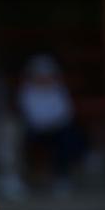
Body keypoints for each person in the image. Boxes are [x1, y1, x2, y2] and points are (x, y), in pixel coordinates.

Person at [17, 53, 85, 195]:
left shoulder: (58, 90)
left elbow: (65, 113)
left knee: (69, 137)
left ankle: (62, 177)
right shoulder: (27, 91)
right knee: (24, 139)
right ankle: (30, 177)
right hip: (35, 131)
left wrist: (52, 124)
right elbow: (29, 114)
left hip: (56, 130)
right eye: (40, 75)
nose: (43, 78)